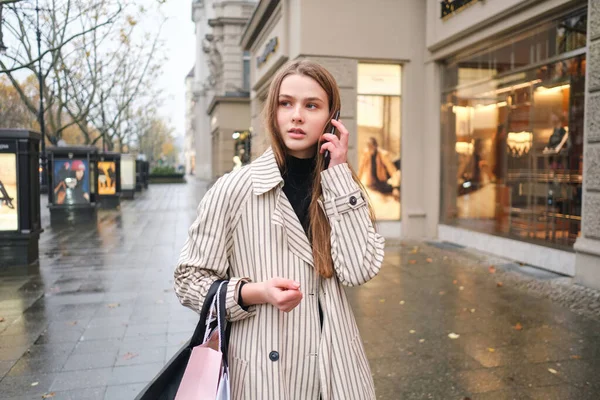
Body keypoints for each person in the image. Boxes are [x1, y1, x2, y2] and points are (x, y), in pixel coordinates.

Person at [175, 60, 385, 400]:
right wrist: (253, 293)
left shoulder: (339, 187)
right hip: (263, 374)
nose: (296, 115)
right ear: (273, 111)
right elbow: (188, 279)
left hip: (333, 370)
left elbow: (359, 270)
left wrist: (339, 176)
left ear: (333, 119)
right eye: (285, 103)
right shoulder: (234, 189)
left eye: (311, 105)